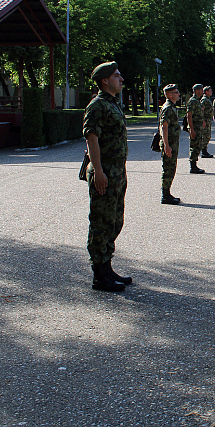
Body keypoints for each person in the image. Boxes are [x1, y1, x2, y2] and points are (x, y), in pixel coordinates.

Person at [83, 61, 131, 293]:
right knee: (101, 223)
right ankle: (99, 275)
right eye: (117, 75)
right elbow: (91, 139)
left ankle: (107, 268)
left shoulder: (113, 104)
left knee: (114, 221)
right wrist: (99, 171)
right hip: (104, 172)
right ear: (105, 80)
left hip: (116, 172)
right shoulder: (98, 106)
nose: (121, 79)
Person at [160, 84, 182, 205]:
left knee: (171, 168)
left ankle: (167, 193)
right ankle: (165, 195)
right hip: (170, 144)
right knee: (168, 168)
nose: (179, 94)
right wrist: (166, 145)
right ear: (170, 94)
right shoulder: (168, 107)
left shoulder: (172, 107)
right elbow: (164, 126)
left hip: (173, 143)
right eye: (176, 92)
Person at [186, 84, 206, 174]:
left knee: (198, 146)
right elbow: (189, 115)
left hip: (198, 127)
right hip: (195, 128)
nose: (202, 91)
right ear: (197, 90)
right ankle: (193, 167)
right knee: (194, 146)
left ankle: (195, 165)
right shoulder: (193, 101)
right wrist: (191, 129)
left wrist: (203, 121)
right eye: (201, 89)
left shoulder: (197, 101)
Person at [200, 86, 214, 158]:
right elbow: (201, 110)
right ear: (206, 92)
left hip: (208, 120)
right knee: (205, 136)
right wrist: (203, 121)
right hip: (205, 120)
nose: (211, 92)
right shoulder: (204, 100)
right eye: (210, 91)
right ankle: (204, 152)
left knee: (207, 136)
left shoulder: (207, 99)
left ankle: (205, 151)